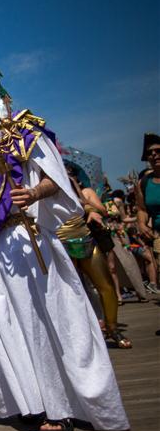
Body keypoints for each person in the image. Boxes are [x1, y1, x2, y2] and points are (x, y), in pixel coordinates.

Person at [0, 53, 128, 431]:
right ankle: (26, 400)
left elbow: (56, 180)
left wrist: (33, 193)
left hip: (24, 240)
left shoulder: (22, 131)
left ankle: (58, 406)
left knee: (39, 321)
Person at [59, 162, 131, 348]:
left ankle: (113, 329)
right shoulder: (34, 181)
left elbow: (83, 203)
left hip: (84, 237)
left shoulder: (70, 182)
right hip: (58, 243)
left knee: (106, 285)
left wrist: (91, 210)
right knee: (70, 292)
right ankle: (81, 334)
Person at [135, 133, 160, 288]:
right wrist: (142, 224)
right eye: (150, 153)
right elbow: (142, 208)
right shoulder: (144, 182)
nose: (154, 155)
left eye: (158, 151)